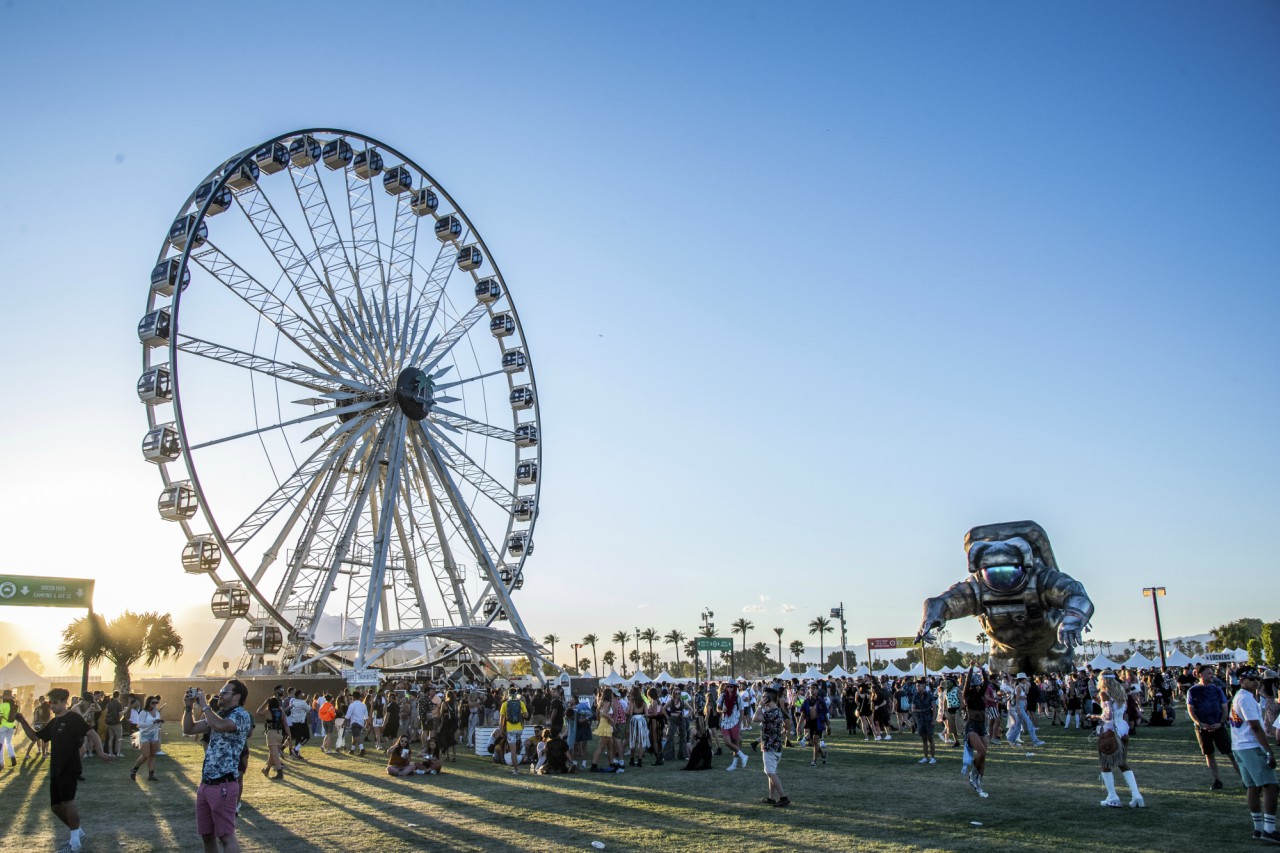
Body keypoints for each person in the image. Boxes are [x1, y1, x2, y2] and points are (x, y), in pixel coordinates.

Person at [13, 688, 116, 852]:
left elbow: (93, 734)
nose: (52, 706)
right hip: (56, 768)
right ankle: (79, 833)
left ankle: (75, 844)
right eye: (51, 703)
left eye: (55, 703)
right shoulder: (54, 722)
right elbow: (35, 737)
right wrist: (23, 721)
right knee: (55, 807)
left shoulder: (73, 718)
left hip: (69, 767)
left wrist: (101, 752)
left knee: (68, 803)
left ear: (64, 702)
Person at [183, 681, 252, 853]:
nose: (220, 694)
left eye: (225, 691)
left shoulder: (241, 715)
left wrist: (205, 706)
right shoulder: (218, 714)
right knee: (207, 835)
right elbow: (189, 729)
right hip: (206, 784)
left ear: (237, 696)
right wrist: (188, 708)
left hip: (224, 784)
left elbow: (221, 726)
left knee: (225, 836)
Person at [1229, 668, 1278, 842]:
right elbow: (1255, 726)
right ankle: (1269, 829)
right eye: (1251, 679)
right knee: (1271, 786)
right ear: (1242, 680)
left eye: (1258, 678)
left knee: (1253, 787)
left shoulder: (1241, 696)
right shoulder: (1246, 698)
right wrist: (1268, 751)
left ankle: (1258, 829)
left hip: (1240, 746)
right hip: (1250, 746)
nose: (1256, 681)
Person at [1094, 673, 1144, 808]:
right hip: (1122, 728)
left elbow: (1108, 714)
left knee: (1105, 763)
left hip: (1110, 729)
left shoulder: (1104, 693)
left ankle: (1112, 796)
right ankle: (1136, 794)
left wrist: (1094, 716)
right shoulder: (1121, 692)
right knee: (1122, 763)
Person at [752, 685, 789, 807]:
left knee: (770, 772)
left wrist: (760, 705)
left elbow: (755, 718)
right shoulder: (775, 711)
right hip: (774, 745)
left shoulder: (772, 712)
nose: (761, 699)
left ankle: (783, 797)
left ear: (768, 698)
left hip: (771, 746)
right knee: (771, 772)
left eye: (763, 697)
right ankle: (771, 797)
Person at [959, 667, 990, 798]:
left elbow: (986, 682)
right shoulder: (966, 694)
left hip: (982, 726)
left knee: (983, 756)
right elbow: (966, 684)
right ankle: (973, 775)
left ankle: (977, 781)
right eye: (975, 685)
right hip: (971, 725)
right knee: (981, 751)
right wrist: (971, 668)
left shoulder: (980, 693)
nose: (978, 687)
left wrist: (982, 670)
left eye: (978, 686)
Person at [128, 695, 164, 782]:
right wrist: (152, 722)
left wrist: (160, 722)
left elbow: (157, 724)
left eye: (156, 703)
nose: (155, 704)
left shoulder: (157, 712)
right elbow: (139, 725)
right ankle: (134, 770)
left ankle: (151, 775)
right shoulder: (144, 712)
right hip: (145, 734)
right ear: (148, 703)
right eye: (153, 703)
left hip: (154, 735)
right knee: (145, 755)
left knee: (152, 755)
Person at [256, 686, 286, 780]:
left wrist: (265, 702)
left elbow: (258, 712)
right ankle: (267, 769)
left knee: (274, 754)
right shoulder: (280, 711)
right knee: (272, 753)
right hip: (280, 733)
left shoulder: (269, 711)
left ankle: (279, 772)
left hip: (271, 733)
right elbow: (284, 720)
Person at [718, 682, 749, 771]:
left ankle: (734, 764)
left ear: (735, 687)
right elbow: (718, 708)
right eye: (728, 686)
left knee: (736, 742)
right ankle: (743, 756)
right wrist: (721, 711)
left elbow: (742, 711)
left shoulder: (737, 697)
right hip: (725, 722)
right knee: (727, 742)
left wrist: (739, 724)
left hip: (735, 721)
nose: (729, 688)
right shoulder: (723, 696)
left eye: (731, 686)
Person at [500, 688, 529, 775]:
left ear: (508, 694)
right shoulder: (520, 703)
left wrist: (501, 729)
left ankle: (516, 770)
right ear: (516, 694)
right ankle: (518, 761)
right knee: (516, 748)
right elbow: (526, 715)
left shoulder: (505, 704)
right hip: (519, 729)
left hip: (510, 729)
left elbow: (501, 719)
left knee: (513, 751)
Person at [799, 683, 829, 766]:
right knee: (814, 743)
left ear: (817, 690)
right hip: (810, 723)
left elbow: (825, 714)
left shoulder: (821, 701)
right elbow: (803, 714)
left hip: (819, 723)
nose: (812, 690)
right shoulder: (806, 701)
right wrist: (799, 725)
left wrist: (828, 725)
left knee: (815, 740)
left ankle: (814, 761)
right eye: (811, 688)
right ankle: (823, 755)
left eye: (814, 688)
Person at [912, 677, 938, 764]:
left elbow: (934, 708)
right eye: (916, 686)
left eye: (918, 686)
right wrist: (923, 710)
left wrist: (934, 719)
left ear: (923, 686)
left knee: (930, 738)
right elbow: (913, 709)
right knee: (923, 739)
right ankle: (925, 757)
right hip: (920, 720)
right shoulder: (915, 696)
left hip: (929, 719)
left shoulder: (930, 695)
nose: (917, 687)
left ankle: (933, 757)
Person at [345, 691, 369, 756]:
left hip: (354, 723)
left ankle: (362, 750)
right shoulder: (363, 705)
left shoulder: (352, 705)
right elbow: (366, 716)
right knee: (355, 736)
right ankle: (352, 750)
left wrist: (344, 723)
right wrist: (367, 723)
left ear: (353, 697)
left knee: (356, 737)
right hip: (361, 723)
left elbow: (348, 715)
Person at [0, 688, 17, 767]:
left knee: (1, 744)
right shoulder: (16, 706)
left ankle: (1, 762)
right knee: (9, 743)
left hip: (2, 726)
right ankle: (12, 755)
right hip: (12, 726)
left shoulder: (3, 705)